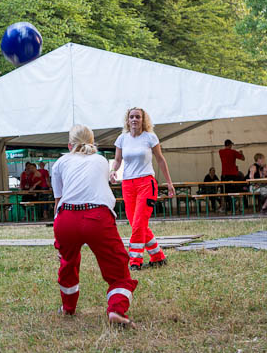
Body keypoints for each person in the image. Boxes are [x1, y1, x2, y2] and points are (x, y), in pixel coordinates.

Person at [52, 124, 138, 327]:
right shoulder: (100, 161)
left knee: (68, 263)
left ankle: (68, 308)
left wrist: (59, 242)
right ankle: (116, 309)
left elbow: (58, 202)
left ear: (69, 144)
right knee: (118, 270)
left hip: (67, 218)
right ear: (92, 143)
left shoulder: (60, 163)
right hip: (97, 216)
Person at [110, 107, 175, 270]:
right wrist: (113, 171)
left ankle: (135, 261)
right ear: (127, 120)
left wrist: (169, 182)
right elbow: (117, 161)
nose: (134, 119)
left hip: (147, 183)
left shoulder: (150, 137)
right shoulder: (121, 139)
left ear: (143, 120)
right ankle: (158, 256)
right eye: (131, 117)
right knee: (136, 224)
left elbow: (160, 160)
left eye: (138, 117)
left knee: (139, 223)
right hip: (127, 184)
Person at [219, 139, 245, 211]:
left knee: (224, 192)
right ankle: (239, 206)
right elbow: (243, 158)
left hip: (224, 175)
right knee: (237, 190)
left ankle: (223, 207)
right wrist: (241, 153)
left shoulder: (220, 152)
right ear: (230, 145)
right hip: (234, 175)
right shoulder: (233, 152)